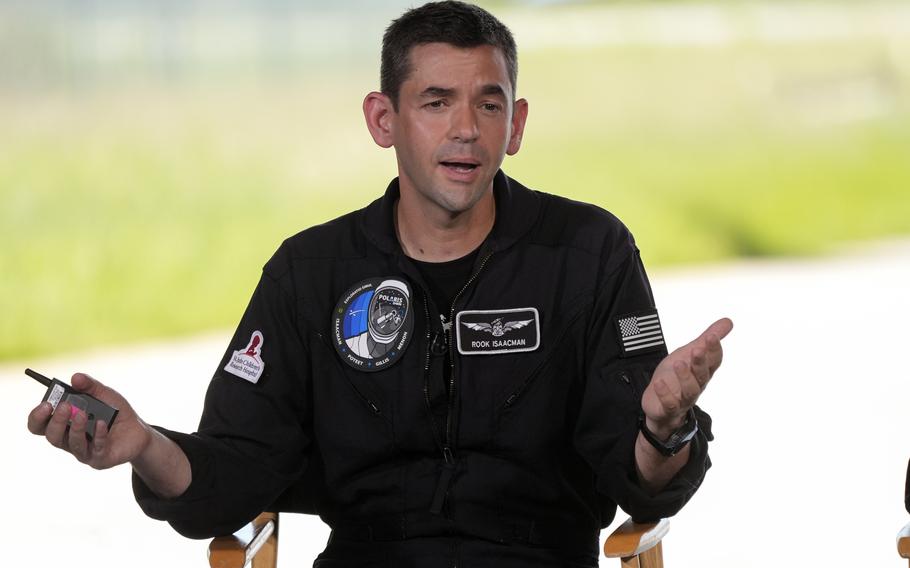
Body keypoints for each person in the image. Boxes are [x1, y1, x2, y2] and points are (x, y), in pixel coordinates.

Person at [26, 2, 732, 566]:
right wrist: (144, 445)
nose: (465, 130)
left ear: (515, 125)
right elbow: (234, 474)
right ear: (383, 119)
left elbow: (635, 474)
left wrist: (664, 429)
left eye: (488, 105)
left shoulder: (586, 251)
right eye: (435, 102)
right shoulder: (311, 272)